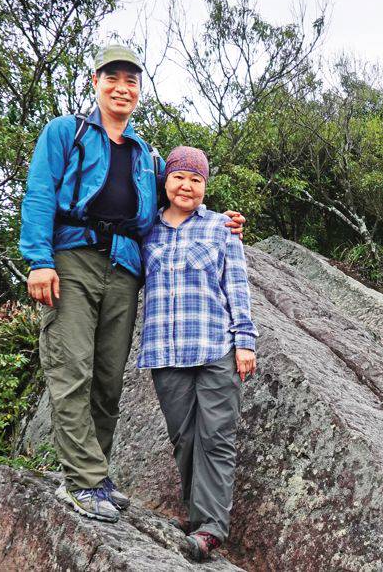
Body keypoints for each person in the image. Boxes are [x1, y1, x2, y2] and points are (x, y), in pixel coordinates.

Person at [19, 44, 245, 523]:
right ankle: (81, 480)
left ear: (139, 90)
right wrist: (39, 260)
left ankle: (95, 475)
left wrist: (220, 221)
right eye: (113, 78)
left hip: (124, 268)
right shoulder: (66, 132)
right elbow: (39, 192)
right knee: (71, 368)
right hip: (73, 258)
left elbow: (181, 194)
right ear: (96, 81)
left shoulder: (146, 155)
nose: (122, 88)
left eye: (131, 81)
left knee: (106, 378)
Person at [138, 146, 258, 561]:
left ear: (205, 186)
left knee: (216, 438)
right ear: (165, 182)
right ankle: (195, 516)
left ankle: (210, 529)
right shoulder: (145, 231)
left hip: (215, 347)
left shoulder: (222, 228)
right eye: (179, 177)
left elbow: (237, 285)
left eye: (196, 180)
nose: (187, 186)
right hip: (165, 351)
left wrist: (245, 341)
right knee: (184, 440)